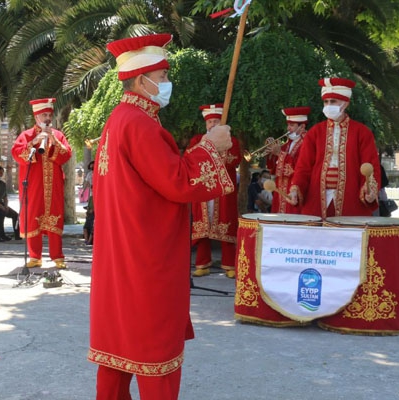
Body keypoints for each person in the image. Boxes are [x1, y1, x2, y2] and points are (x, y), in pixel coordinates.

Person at [89, 33, 234, 399]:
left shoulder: (118, 120)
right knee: (154, 359)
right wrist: (209, 148)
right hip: (145, 263)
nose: (167, 84)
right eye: (164, 77)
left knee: (118, 358)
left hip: (121, 261)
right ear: (142, 80)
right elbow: (178, 182)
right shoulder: (139, 124)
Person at [288, 77, 381, 218]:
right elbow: (303, 167)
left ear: (345, 103)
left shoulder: (362, 132)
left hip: (351, 199)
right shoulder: (315, 132)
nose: (328, 105)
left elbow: (370, 166)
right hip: (317, 198)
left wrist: (369, 190)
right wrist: (296, 189)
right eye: (326, 102)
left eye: (333, 101)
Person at [11, 98, 73, 268]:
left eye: (49, 115)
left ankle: (57, 256)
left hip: (53, 186)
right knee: (33, 217)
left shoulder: (58, 134)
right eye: (44, 115)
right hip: (33, 186)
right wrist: (35, 141)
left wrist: (54, 140)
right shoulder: (26, 135)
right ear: (36, 117)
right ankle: (35, 256)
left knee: (54, 217)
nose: (47, 118)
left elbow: (66, 154)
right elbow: (18, 155)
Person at [189, 103, 242, 278]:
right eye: (209, 122)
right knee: (203, 226)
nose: (212, 125)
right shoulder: (198, 140)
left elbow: (234, 160)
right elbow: (189, 159)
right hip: (203, 191)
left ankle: (229, 264)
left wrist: (219, 150)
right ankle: (202, 263)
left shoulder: (230, 141)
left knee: (225, 225)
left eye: (215, 121)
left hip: (222, 192)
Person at [266, 106, 309, 214]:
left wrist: (279, 153)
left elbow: (300, 166)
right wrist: (271, 156)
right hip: (281, 191)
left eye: (292, 125)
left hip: (295, 190)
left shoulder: (307, 143)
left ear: (302, 126)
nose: (288, 128)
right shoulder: (287, 144)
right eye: (288, 125)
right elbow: (274, 170)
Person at [0, 166, 19, 240]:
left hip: (2, 204)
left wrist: (6, 206)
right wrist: (0, 206)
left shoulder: (3, 184)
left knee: (15, 215)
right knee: (1, 213)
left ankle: (17, 235)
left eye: (1, 173)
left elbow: (5, 197)